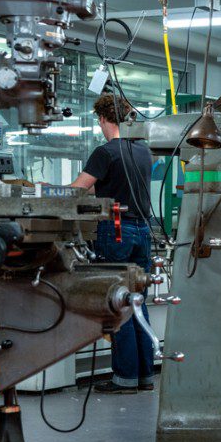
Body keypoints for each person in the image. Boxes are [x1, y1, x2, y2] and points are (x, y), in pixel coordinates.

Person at [69, 93, 156, 394]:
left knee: (118, 304)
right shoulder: (144, 151)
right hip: (143, 232)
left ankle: (125, 377)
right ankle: (144, 376)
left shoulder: (105, 153)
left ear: (103, 119)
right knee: (137, 302)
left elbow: (78, 190)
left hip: (116, 232)